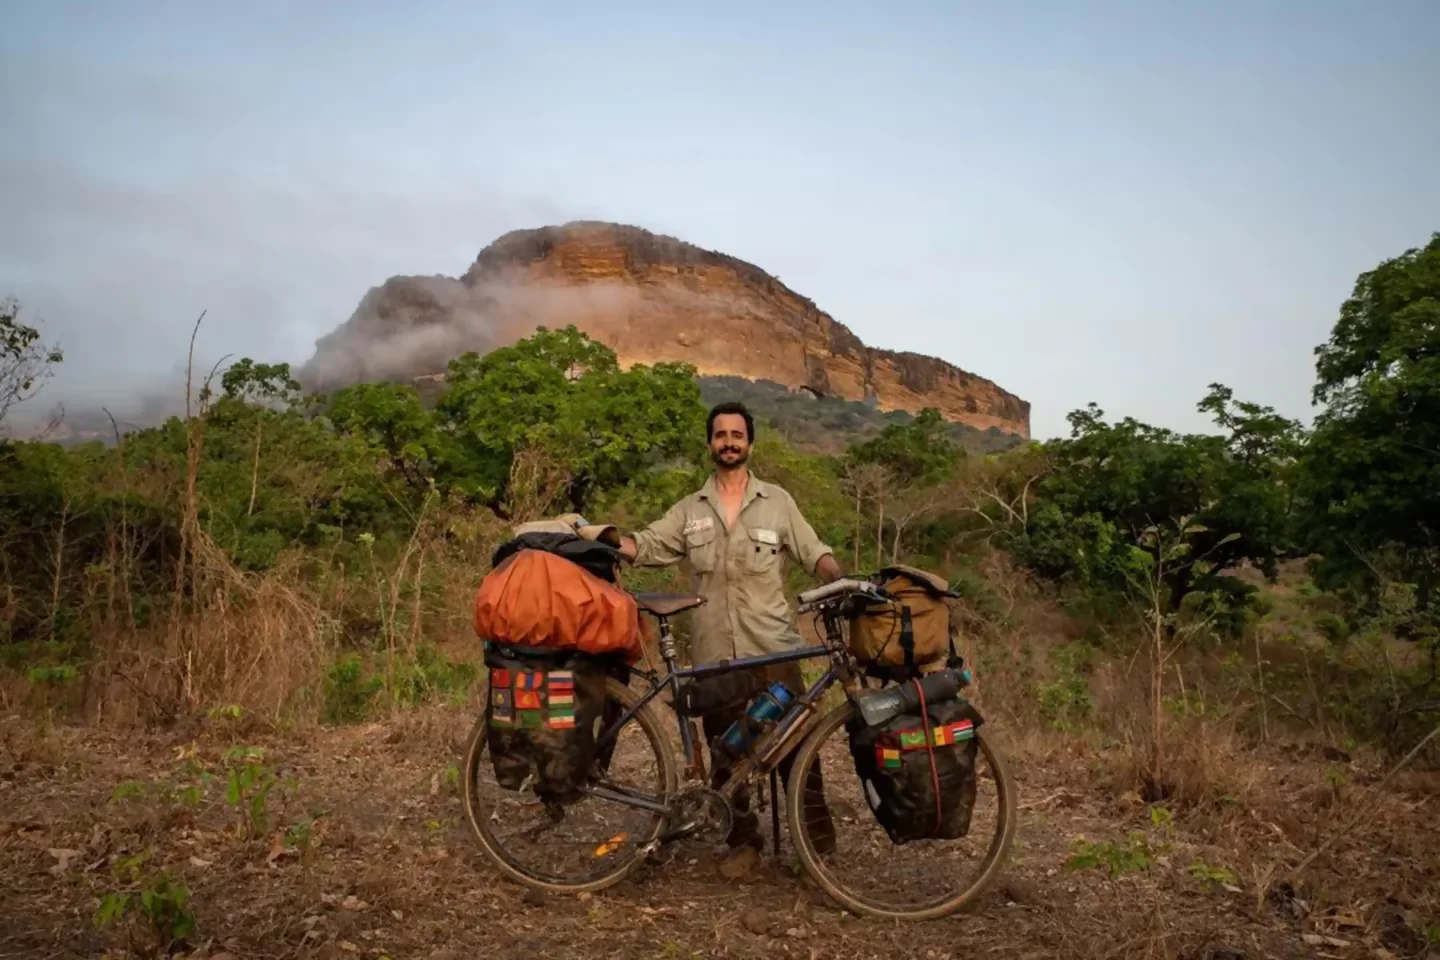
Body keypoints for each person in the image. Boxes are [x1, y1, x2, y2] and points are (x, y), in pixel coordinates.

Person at [614, 401, 842, 875]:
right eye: (721, 435)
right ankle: (744, 842)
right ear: (710, 444)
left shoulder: (778, 501)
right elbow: (649, 545)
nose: (729, 442)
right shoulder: (690, 510)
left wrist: (838, 580)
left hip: (773, 647)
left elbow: (813, 551)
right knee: (724, 751)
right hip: (715, 652)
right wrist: (603, 538)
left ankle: (817, 845)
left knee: (797, 746)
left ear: (750, 443)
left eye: (737, 434)